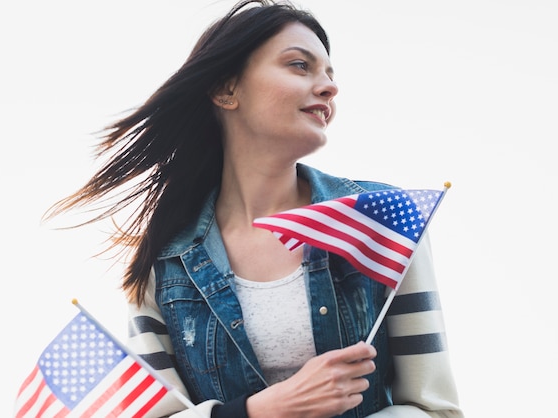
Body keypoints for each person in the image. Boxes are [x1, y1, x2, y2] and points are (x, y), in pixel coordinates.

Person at [46, 1, 464, 417]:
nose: (328, 86)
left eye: (330, 74)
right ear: (227, 89)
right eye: (300, 65)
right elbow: (156, 414)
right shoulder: (164, 260)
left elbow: (433, 408)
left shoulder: (384, 219)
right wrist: (259, 411)